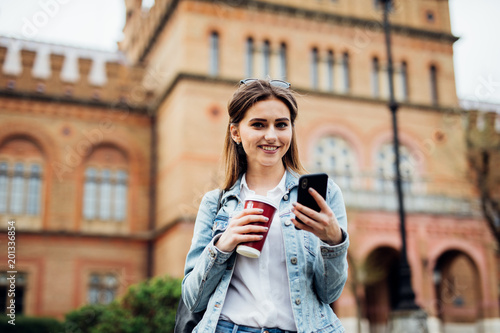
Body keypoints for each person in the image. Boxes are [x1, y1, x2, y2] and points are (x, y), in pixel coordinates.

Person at [182, 79, 349, 333]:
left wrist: (333, 241)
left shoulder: (322, 195)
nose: (271, 135)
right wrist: (223, 244)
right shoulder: (215, 204)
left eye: (281, 125)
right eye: (258, 125)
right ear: (236, 132)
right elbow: (192, 299)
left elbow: (329, 293)